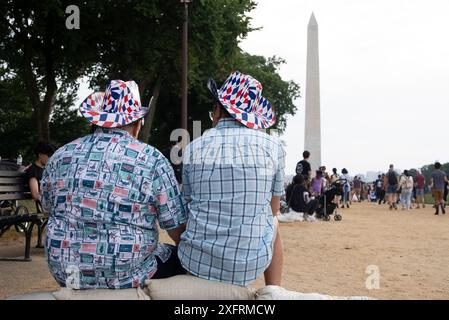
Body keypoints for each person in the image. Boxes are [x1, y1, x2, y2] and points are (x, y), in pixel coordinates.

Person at [41, 80, 187, 289]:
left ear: (99, 120)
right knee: (178, 257)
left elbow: (47, 207)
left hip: (66, 272)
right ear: (137, 125)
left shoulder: (60, 156)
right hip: (127, 274)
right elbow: (177, 228)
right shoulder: (152, 159)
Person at [178, 71, 285, 287]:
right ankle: (274, 290)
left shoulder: (192, 148)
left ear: (217, 110)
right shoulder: (274, 147)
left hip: (197, 261)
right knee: (273, 222)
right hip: (250, 264)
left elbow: (187, 206)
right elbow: (273, 209)